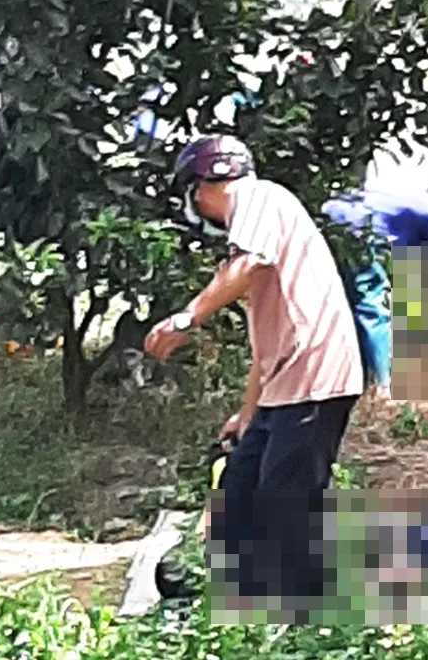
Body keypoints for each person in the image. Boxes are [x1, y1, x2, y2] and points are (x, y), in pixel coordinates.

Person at [143, 133, 364, 610]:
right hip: (283, 384)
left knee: (286, 505)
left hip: (315, 378)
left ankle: (305, 619)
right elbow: (265, 345)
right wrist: (248, 414)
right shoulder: (251, 239)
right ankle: (218, 601)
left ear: (201, 186)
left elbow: (251, 262)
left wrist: (186, 318)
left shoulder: (258, 197)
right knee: (237, 489)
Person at [320, 166, 428, 394]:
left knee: (342, 304)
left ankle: (351, 376)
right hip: (358, 233)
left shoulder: (415, 203)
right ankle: (383, 385)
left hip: (331, 221)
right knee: (371, 306)